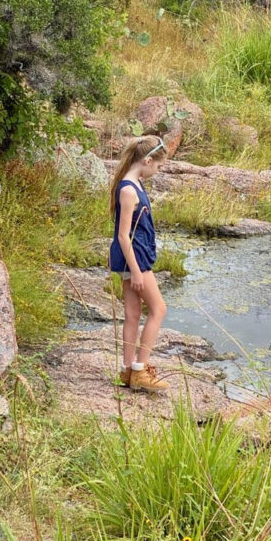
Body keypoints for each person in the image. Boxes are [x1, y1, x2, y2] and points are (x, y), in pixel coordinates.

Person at [109, 134, 170, 392]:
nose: (157, 171)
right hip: (136, 261)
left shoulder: (135, 183)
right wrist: (135, 271)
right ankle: (141, 369)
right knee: (158, 310)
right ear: (146, 160)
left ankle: (127, 371)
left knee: (133, 315)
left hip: (137, 258)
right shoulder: (128, 190)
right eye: (157, 166)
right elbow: (123, 235)